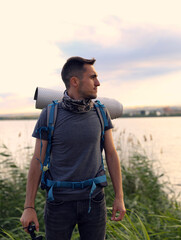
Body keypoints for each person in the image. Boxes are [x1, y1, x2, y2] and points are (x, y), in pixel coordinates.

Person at [20, 56, 126, 240]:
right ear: (75, 81)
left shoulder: (101, 112)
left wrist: (119, 197)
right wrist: (29, 207)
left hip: (94, 200)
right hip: (59, 202)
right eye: (93, 77)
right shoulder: (50, 114)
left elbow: (111, 154)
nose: (98, 83)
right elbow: (37, 161)